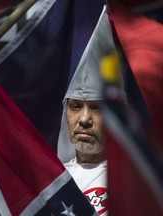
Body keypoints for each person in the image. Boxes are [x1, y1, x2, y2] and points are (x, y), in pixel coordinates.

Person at [57, 6, 125, 216]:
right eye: (76, 106)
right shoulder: (52, 180)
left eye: (97, 108)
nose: (84, 119)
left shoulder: (135, 182)